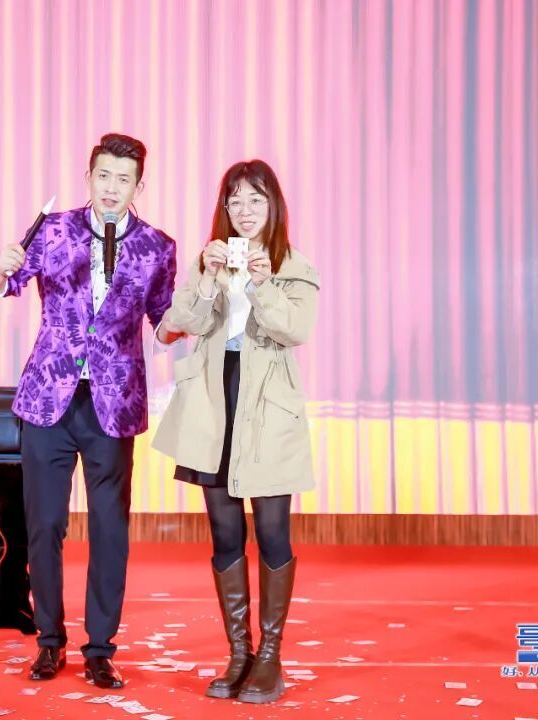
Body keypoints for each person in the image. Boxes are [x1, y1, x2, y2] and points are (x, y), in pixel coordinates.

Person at [0, 133, 181, 689]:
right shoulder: (53, 230)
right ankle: (49, 642)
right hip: (48, 398)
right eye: (103, 176)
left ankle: (100, 649)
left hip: (114, 403)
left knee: (111, 530)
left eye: (123, 179)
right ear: (88, 177)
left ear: (139, 186)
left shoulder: (157, 246)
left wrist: (196, 312)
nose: (112, 188)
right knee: (44, 524)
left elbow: (164, 321)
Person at [152, 159, 319, 704]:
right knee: (225, 532)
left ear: (274, 205)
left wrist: (265, 284)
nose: (244, 210)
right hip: (213, 399)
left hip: (266, 403)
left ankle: (270, 656)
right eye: (235, 200)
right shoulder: (213, 260)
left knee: (271, 530)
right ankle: (239, 652)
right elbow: (185, 323)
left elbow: (294, 329)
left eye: (255, 199)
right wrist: (206, 278)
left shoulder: (294, 265)